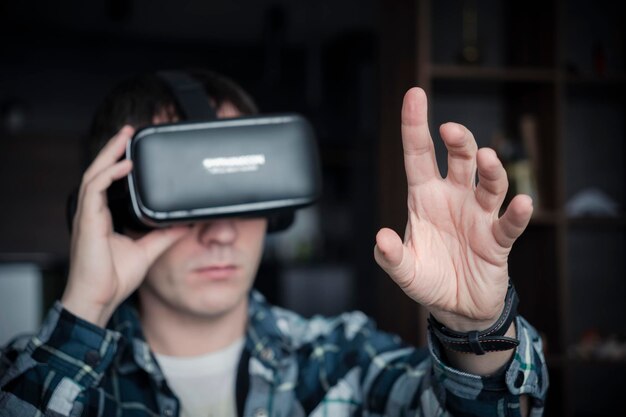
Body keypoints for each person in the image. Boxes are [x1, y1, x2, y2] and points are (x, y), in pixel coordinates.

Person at [0, 69, 547, 417]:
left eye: (241, 188)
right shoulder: (38, 374)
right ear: (114, 213)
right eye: (187, 195)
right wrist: (85, 309)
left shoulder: (342, 361)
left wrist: (477, 332)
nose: (221, 231)